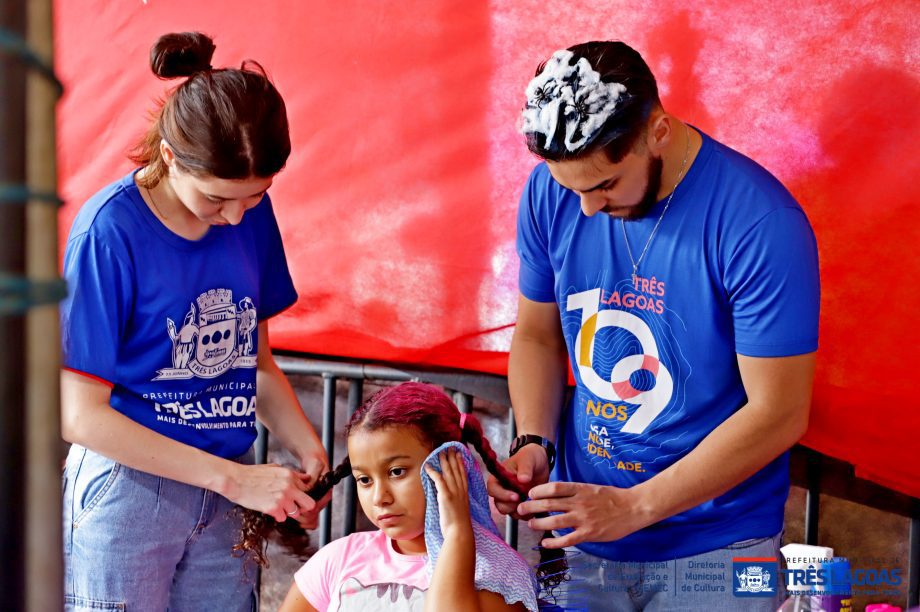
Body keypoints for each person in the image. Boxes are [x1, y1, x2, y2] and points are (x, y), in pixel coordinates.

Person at [486, 41, 820, 610]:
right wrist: (533, 440)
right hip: (582, 534)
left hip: (722, 545)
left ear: (658, 131)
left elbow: (780, 413)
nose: (587, 209)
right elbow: (538, 335)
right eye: (573, 189)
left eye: (606, 185)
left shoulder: (761, 223)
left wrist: (633, 506)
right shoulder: (551, 194)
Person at [59, 32, 327, 611]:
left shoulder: (248, 213)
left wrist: (306, 446)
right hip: (130, 490)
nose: (234, 217)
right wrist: (233, 479)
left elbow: (252, 363)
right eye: (215, 199)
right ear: (170, 156)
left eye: (255, 197)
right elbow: (79, 415)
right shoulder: (109, 232)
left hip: (227, 487)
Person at [273, 382, 540, 612]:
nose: (379, 497)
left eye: (397, 472)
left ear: (448, 464)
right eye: (364, 480)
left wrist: (457, 537)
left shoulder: (496, 573)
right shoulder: (338, 559)